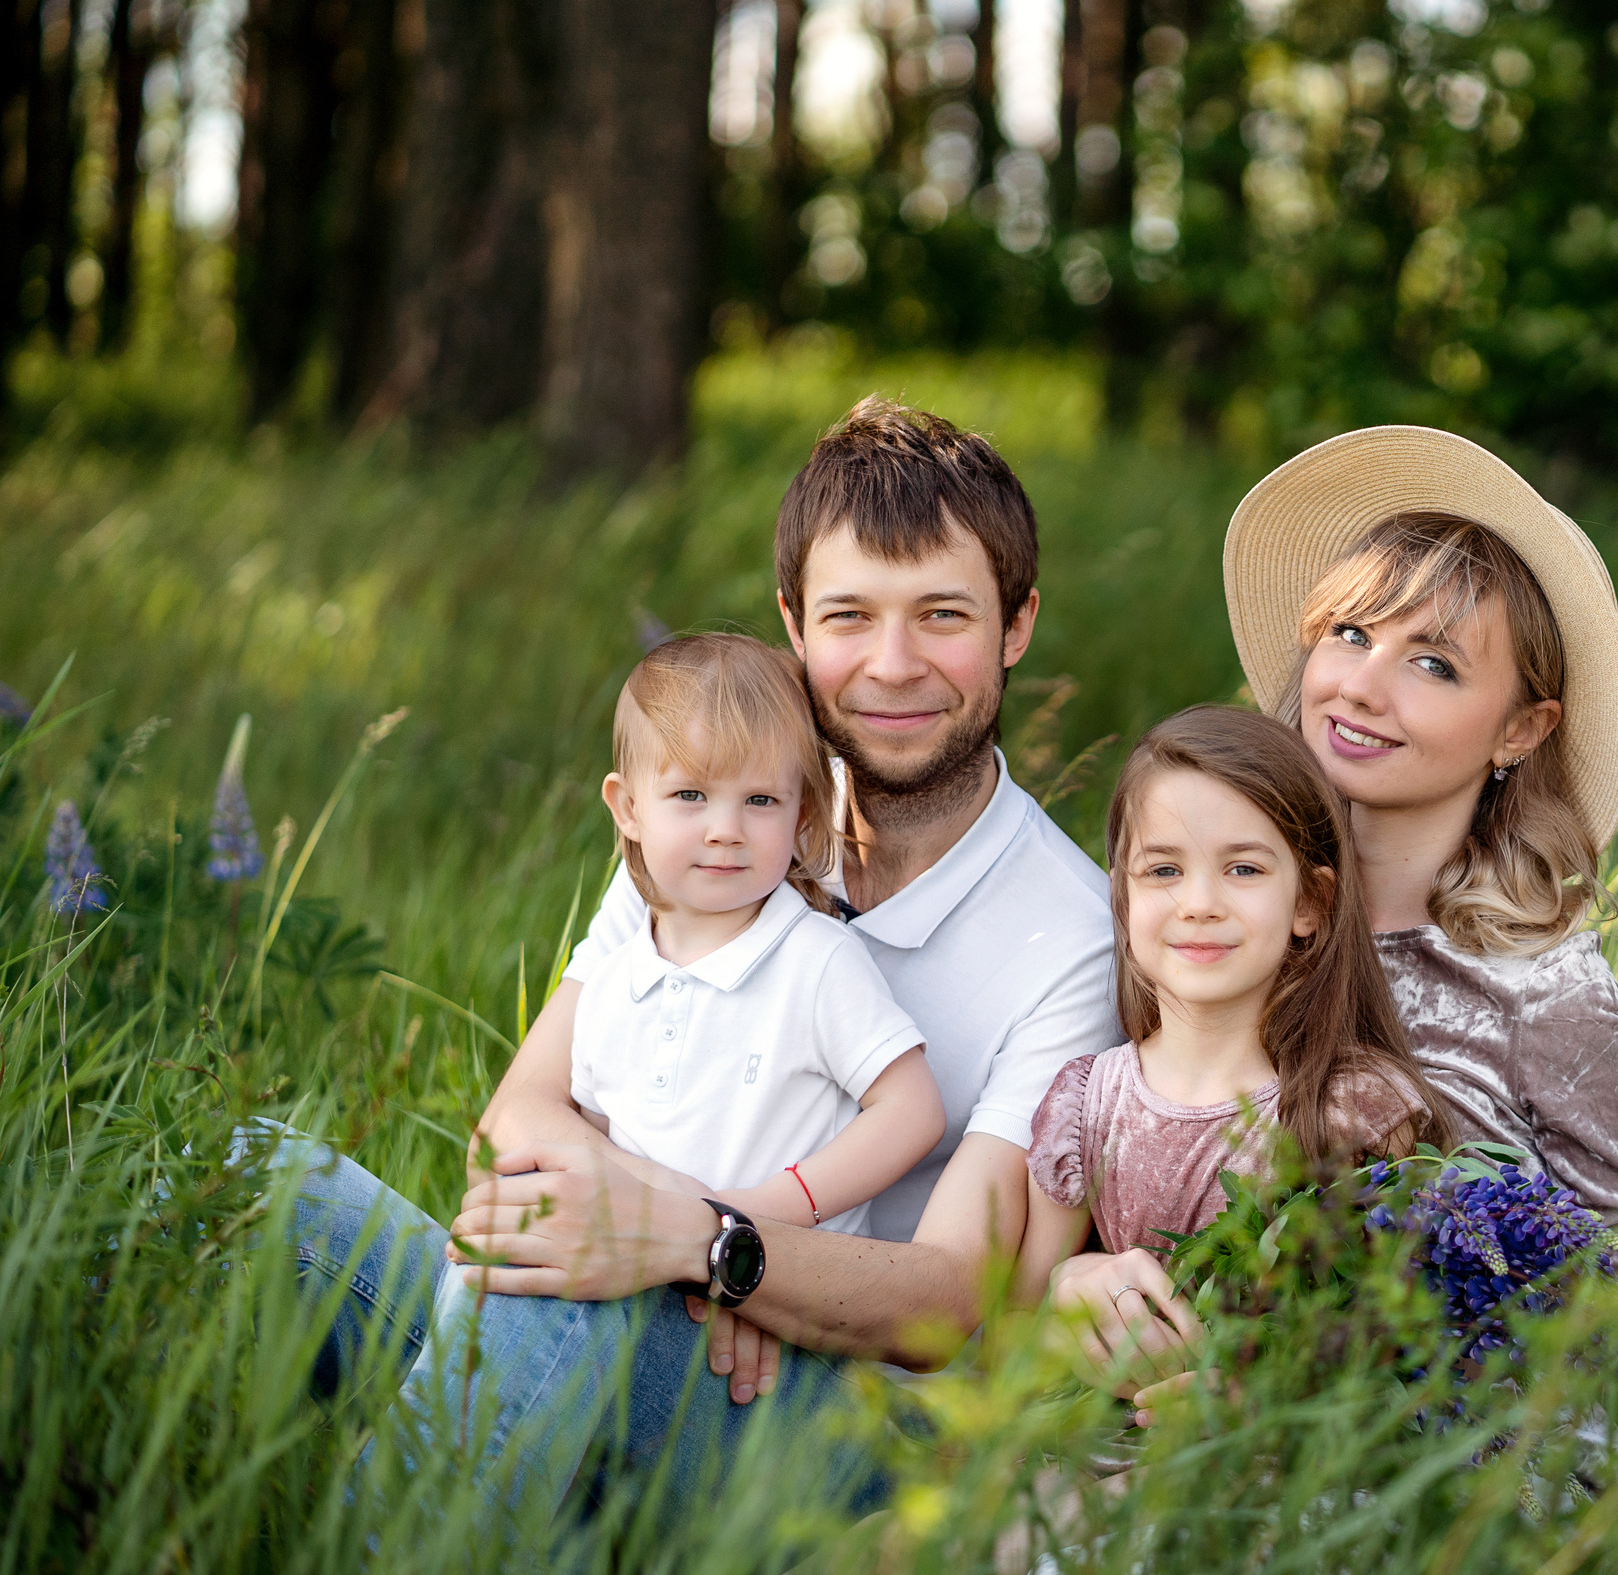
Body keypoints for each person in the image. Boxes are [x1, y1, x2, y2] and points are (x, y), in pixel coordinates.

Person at [267, 398, 1121, 1513]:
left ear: (1016, 626)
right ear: (793, 627)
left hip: (862, 1432)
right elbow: (518, 1120)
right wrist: (689, 1255)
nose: (894, 664)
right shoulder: (724, 827)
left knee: (562, 1275)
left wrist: (713, 1255)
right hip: (659, 1317)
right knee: (245, 1176)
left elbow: (952, 1297)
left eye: (943, 615)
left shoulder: (1076, 934)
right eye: (851, 615)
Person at [1199, 424, 1618, 1364]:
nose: (1360, 686)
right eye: (1349, 635)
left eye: (1432, 663)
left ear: (1521, 728)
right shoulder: (1216, 919)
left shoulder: (1546, 997)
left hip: (1453, 1468)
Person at [1019, 707, 1448, 1387]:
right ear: (1122, 898)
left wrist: (1247, 1406)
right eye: (1163, 870)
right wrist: (1068, 1284)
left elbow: (1394, 1353)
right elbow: (1016, 1339)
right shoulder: (1088, 1102)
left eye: (1243, 869)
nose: (1198, 902)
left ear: (1310, 901)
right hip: (1094, 1449)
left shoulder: (1353, 1112)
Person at [567, 631, 942, 1236]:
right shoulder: (611, 986)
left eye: (761, 800)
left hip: (785, 1290)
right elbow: (592, 1139)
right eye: (690, 794)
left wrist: (757, 1219)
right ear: (628, 808)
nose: (725, 829)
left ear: (803, 816)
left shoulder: (815, 961)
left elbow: (913, 1111)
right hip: (643, 1285)